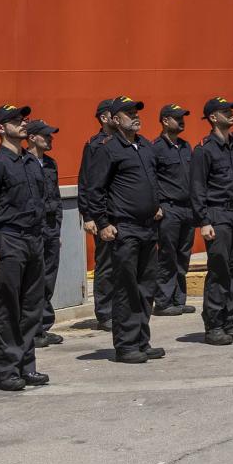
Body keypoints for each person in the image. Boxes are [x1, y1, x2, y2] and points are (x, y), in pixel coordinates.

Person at [0, 105, 49, 391]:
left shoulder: (30, 162)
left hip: (33, 239)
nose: (23, 123)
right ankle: (6, 370)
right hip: (9, 239)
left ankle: (26, 365)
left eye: (23, 119)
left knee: (31, 307)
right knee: (7, 307)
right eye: (15, 120)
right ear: (1, 128)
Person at [84, 95, 165, 362]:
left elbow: (153, 179)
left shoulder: (144, 146)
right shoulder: (107, 149)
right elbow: (95, 189)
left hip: (148, 227)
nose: (135, 116)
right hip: (124, 229)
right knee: (127, 287)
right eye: (128, 113)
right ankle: (126, 344)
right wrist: (103, 223)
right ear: (116, 120)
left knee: (146, 287)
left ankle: (142, 340)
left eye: (136, 111)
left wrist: (157, 204)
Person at [190, 97, 233, 345]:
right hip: (217, 215)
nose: (231, 114)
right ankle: (214, 325)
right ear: (212, 118)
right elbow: (197, 188)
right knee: (219, 270)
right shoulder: (204, 149)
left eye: (231, 110)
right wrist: (204, 221)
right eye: (224, 111)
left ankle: (230, 322)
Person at [150, 104, 196, 317]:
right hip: (169, 208)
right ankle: (163, 301)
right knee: (167, 255)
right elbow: (151, 180)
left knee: (183, 255)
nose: (182, 121)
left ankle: (179, 299)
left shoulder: (186, 147)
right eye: (177, 118)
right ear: (165, 121)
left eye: (183, 117)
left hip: (188, 208)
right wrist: (157, 205)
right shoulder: (156, 148)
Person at [77, 98, 118, 330]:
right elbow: (86, 183)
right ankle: (105, 312)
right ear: (105, 118)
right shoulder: (95, 146)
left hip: (125, 214)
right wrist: (89, 216)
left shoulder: (126, 144)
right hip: (105, 215)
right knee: (106, 265)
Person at [25, 119, 65, 347]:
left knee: (49, 277)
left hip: (50, 227)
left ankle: (43, 325)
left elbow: (56, 199)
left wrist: (57, 229)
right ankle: (32, 328)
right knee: (34, 279)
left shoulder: (50, 164)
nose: (50, 139)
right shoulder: (24, 163)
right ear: (32, 137)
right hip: (33, 228)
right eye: (46, 136)